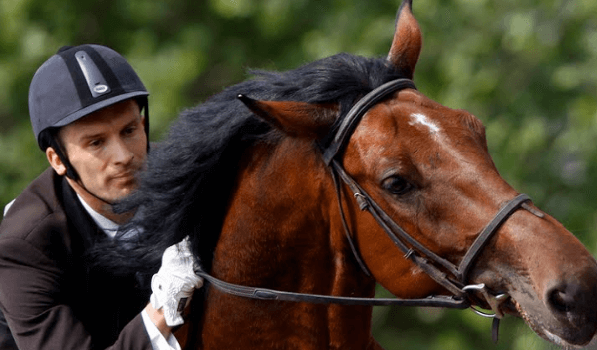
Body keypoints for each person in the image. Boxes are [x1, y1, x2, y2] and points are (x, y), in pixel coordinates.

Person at [0, 44, 203, 350]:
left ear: (144, 125)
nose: (124, 156)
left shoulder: (190, 176)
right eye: (96, 142)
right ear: (58, 160)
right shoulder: (23, 246)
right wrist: (163, 309)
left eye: (129, 130)